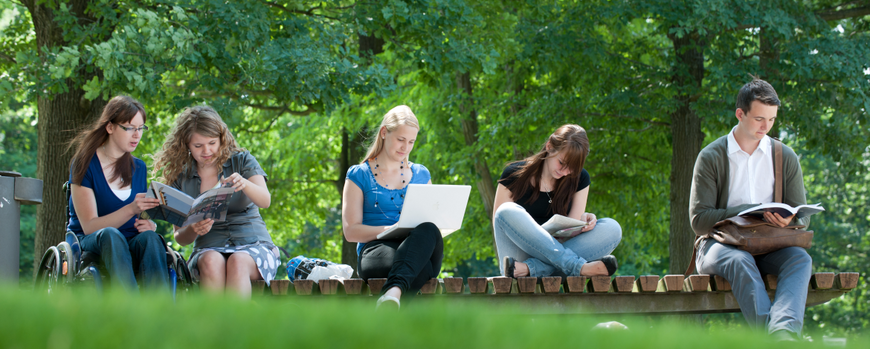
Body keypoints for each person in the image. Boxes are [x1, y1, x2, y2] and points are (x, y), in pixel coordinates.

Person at [689, 78, 812, 340]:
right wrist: (746, 211)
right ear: (740, 114)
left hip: (770, 244)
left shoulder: (785, 157)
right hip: (720, 246)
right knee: (740, 260)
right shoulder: (711, 156)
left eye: (772, 119)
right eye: (759, 119)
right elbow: (699, 221)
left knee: (800, 259)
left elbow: (802, 219)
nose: (766, 127)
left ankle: (782, 334)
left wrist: (789, 220)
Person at [152, 106, 278, 298]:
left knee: (238, 261)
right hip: (208, 247)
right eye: (198, 146)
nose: (207, 151)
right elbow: (180, 237)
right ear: (186, 144)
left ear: (221, 138)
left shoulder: (242, 160)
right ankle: (217, 317)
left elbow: (265, 200)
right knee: (211, 261)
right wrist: (193, 229)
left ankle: (234, 318)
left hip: (253, 244)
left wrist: (244, 183)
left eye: (212, 143)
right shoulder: (180, 177)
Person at [342, 105, 439, 309]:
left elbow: (430, 221)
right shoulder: (359, 174)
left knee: (430, 229)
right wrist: (392, 229)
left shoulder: (422, 174)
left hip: (418, 246)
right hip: (377, 250)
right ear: (384, 132)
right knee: (420, 267)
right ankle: (394, 296)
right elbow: (350, 231)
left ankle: (391, 296)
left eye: (411, 142)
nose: (406, 147)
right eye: (401, 139)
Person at [67, 95, 168, 292]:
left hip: (130, 239)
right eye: (129, 128)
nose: (137, 135)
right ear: (110, 127)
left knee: (151, 238)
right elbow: (89, 226)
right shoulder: (85, 164)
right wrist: (131, 209)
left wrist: (149, 225)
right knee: (111, 235)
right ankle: (127, 305)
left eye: (141, 128)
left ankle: (159, 306)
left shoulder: (139, 167)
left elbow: (138, 218)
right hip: (92, 240)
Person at [493, 124, 622, 278]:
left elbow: (571, 231)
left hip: (527, 266)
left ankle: (530, 269)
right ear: (549, 147)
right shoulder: (514, 174)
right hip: (518, 255)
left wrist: (585, 223)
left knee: (612, 228)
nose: (565, 172)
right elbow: (500, 223)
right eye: (561, 163)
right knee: (506, 210)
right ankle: (578, 267)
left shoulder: (580, 178)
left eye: (571, 168)